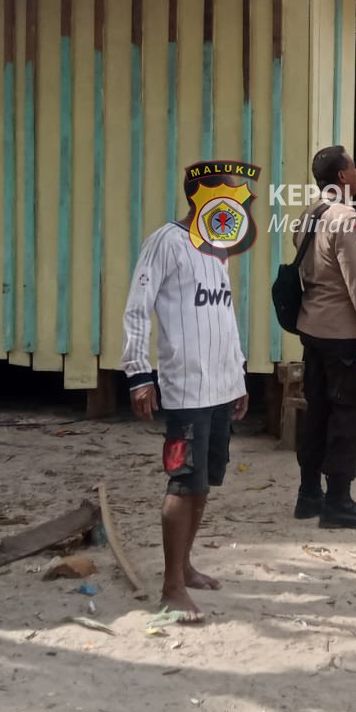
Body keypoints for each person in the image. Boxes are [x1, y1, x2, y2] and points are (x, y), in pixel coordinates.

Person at [122, 174, 249, 622]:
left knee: (205, 481)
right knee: (184, 480)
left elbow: (226, 317)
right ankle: (170, 586)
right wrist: (139, 374)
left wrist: (239, 376)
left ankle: (186, 564)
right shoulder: (165, 242)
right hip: (186, 387)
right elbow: (138, 307)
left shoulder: (219, 251)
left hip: (220, 386)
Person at [293, 146, 356, 530]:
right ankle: (338, 501)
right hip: (344, 337)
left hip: (313, 328)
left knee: (317, 410)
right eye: (353, 166)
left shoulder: (310, 214)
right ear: (342, 177)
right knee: (348, 415)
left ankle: (308, 495)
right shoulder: (347, 220)